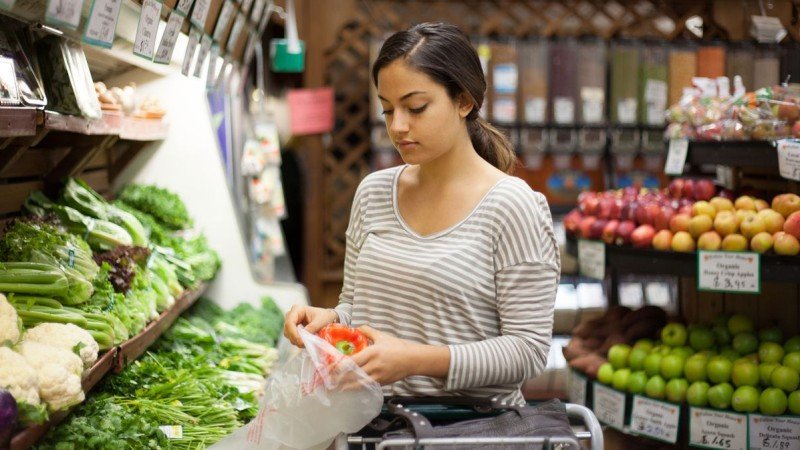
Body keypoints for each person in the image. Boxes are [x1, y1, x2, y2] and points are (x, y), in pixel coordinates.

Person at [284, 22, 559, 406]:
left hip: (472, 430)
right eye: (387, 109)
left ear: (464, 101)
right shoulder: (374, 193)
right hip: (373, 424)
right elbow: (356, 307)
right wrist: (330, 321)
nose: (397, 126)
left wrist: (413, 360)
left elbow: (527, 351)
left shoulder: (513, 206)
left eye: (416, 108)